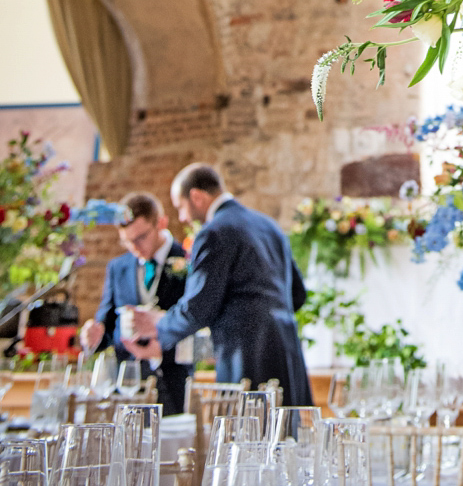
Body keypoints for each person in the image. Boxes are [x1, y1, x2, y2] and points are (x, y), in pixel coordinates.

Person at [127, 162, 311, 404]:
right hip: (287, 352)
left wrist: (159, 329)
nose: (182, 217)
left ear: (196, 197)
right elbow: (297, 295)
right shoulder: (270, 226)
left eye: (181, 207)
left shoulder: (214, 232)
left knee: (248, 434)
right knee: (286, 434)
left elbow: (199, 307)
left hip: (245, 357)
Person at [78, 192, 192, 415]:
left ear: (160, 223)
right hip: (128, 385)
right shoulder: (117, 267)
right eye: (127, 241)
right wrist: (94, 334)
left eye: (140, 237)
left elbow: (198, 323)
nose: (134, 247)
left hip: (175, 381)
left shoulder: (189, 260)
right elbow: (108, 322)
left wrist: (162, 349)